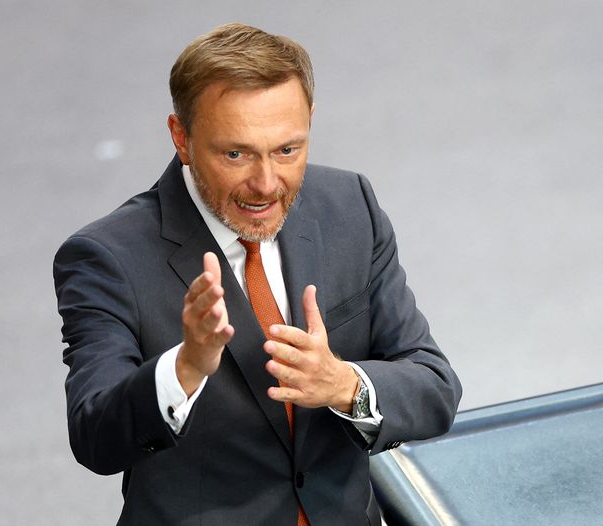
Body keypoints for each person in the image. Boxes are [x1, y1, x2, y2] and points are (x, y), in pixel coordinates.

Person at [54, 23, 462, 526]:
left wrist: (342, 384)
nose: (266, 185)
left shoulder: (350, 206)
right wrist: (184, 369)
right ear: (182, 137)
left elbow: (434, 387)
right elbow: (95, 438)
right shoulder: (107, 256)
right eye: (236, 154)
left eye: (287, 150)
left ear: (310, 120)